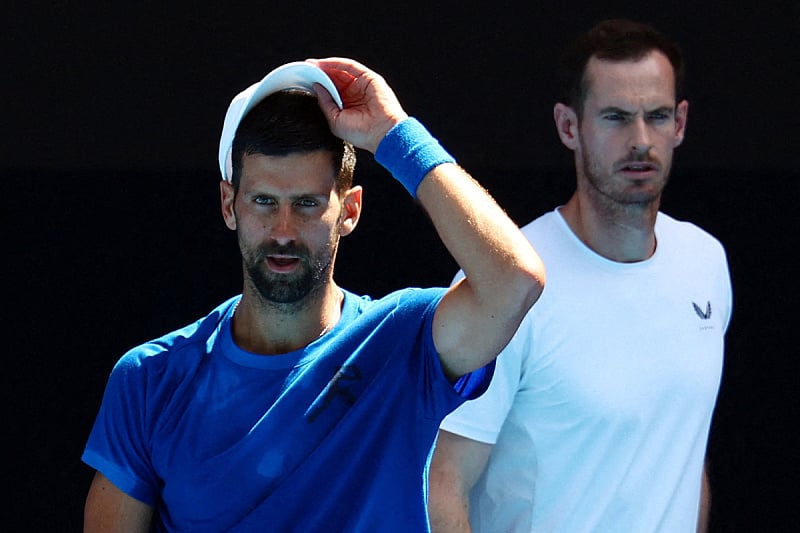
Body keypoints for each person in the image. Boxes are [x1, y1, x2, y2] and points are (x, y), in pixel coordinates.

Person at [81, 57, 545, 532]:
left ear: (350, 211)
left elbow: (515, 280)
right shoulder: (149, 378)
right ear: (229, 205)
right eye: (264, 201)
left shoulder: (402, 339)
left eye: (307, 204)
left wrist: (394, 134)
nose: (284, 230)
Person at [428, 19, 732, 533]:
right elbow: (441, 484)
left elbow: (680, 447)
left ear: (680, 123)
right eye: (615, 117)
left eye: (656, 116)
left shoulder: (705, 262)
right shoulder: (509, 284)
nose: (640, 140)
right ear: (569, 127)